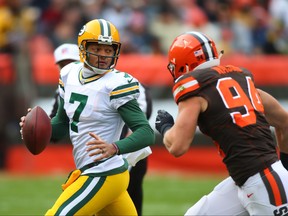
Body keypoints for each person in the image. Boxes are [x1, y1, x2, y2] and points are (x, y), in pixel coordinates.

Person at [20, 18, 155, 216]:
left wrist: (115, 147)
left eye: (108, 50)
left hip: (104, 172)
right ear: (83, 48)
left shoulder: (116, 84)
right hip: (97, 171)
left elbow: (146, 133)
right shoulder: (69, 73)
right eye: (98, 48)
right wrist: (37, 128)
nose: (103, 55)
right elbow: (61, 123)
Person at [155, 31, 288, 215]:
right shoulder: (242, 81)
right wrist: (284, 165)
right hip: (250, 178)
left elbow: (178, 146)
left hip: (264, 181)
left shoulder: (194, 88)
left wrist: (165, 127)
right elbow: (284, 122)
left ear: (183, 64)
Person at [121, 83, 152, 216]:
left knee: (131, 200)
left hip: (126, 152)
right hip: (99, 153)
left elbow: (140, 129)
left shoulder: (130, 84)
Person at [50, 43, 80, 119]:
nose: (67, 68)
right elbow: (53, 120)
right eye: (63, 65)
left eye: (72, 63)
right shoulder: (59, 92)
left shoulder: (99, 86)